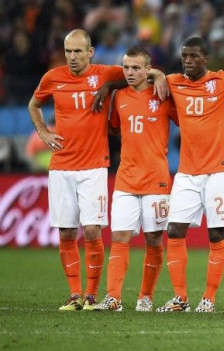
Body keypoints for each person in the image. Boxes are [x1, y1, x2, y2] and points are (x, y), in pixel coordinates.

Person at [28, 29, 164, 311]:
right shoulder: (52, 77)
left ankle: (91, 295)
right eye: (69, 51)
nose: (73, 57)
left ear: (91, 52)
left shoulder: (106, 72)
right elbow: (34, 104)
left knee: (91, 231)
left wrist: (158, 76)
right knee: (66, 233)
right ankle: (74, 295)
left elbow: (139, 71)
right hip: (61, 165)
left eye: (79, 51)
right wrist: (43, 132)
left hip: (94, 167)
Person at [155, 36, 224, 313]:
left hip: (218, 171)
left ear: (206, 59)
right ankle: (180, 298)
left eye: (194, 56)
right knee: (174, 230)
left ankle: (208, 298)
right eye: (184, 56)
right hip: (186, 172)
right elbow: (140, 73)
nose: (188, 61)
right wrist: (156, 73)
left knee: (217, 233)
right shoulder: (173, 82)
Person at [92, 47, 178, 312]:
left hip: (157, 180)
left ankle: (146, 297)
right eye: (126, 67)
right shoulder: (119, 97)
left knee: (153, 240)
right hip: (126, 179)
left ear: (148, 68)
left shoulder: (163, 95)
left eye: (136, 68)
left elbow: (188, 122)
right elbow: (114, 129)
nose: (130, 73)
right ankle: (113, 298)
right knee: (119, 236)